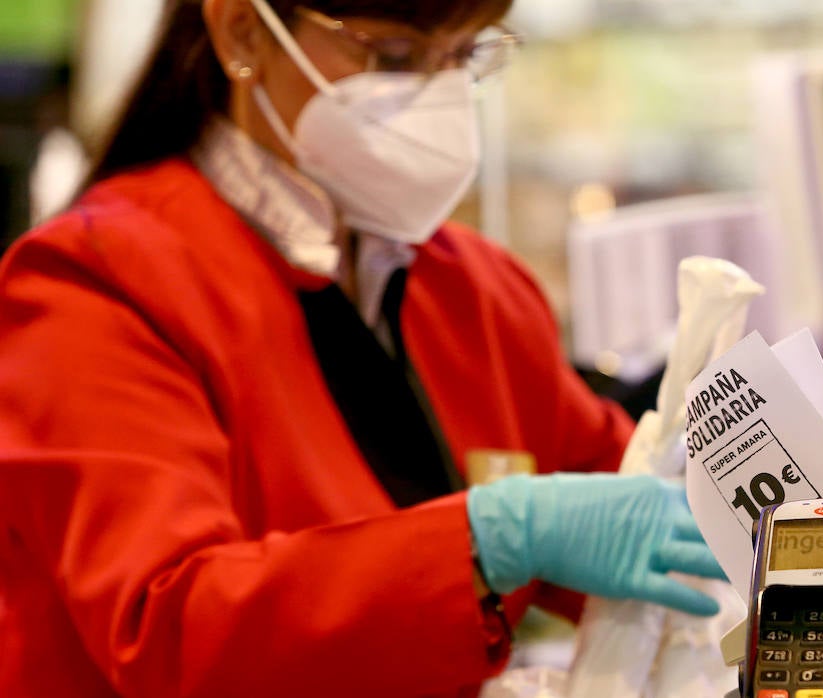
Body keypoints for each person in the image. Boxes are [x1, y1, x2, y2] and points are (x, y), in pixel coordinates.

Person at [0, 0, 727, 695]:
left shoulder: (473, 289)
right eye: (395, 56)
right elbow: (171, 629)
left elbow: (627, 491)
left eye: (463, 56)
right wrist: (484, 545)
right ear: (245, 33)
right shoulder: (93, 286)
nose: (439, 97)